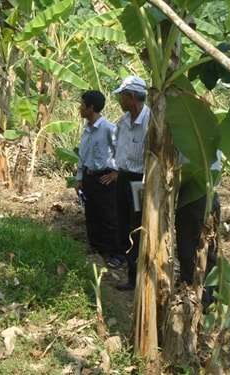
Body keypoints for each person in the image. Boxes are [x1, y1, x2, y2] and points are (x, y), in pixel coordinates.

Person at [110, 75, 150, 291]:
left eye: (122, 96)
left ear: (131, 97)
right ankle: (130, 271)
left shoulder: (150, 120)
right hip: (124, 177)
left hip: (141, 181)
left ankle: (139, 276)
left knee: (138, 226)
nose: (120, 101)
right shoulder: (123, 122)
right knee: (124, 222)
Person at [75, 90, 119, 260]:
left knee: (109, 216)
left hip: (105, 178)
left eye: (82, 105)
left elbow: (120, 151)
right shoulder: (87, 130)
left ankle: (114, 253)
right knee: (91, 214)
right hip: (89, 177)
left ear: (91, 108)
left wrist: (116, 172)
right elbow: (83, 155)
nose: (80, 108)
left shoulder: (109, 129)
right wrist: (80, 178)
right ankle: (96, 247)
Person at [176, 151, 222, 309]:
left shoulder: (189, 132)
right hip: (208, 195)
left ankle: (199, 302)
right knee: (207, 252)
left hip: (194, 196)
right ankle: (205, 299)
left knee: (192, 252)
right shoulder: (211, 131)